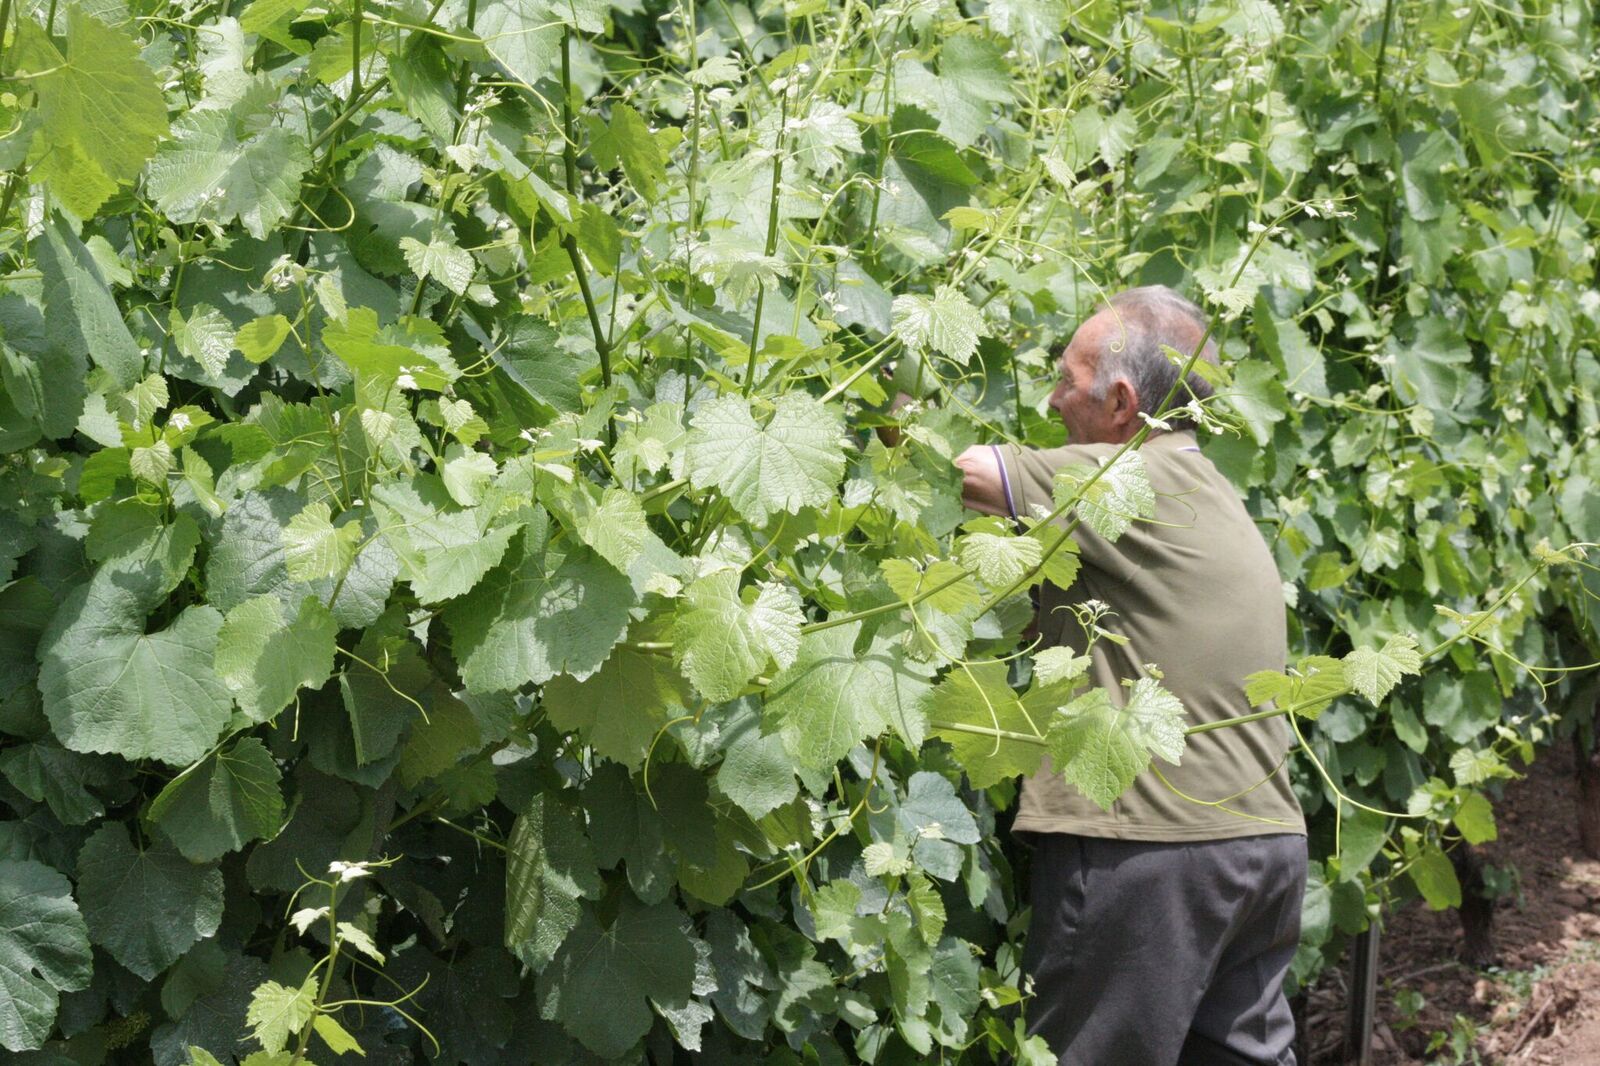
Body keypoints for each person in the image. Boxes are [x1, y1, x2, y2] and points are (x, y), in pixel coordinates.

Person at [952, 286, 1308, 1065]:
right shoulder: (1209, 492)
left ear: (1121, 403)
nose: (1052, 400)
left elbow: (971, 474)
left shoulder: (1126, 481)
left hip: (1153, 850)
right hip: (1263, 847)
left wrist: (903, 413)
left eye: (1066, 380)